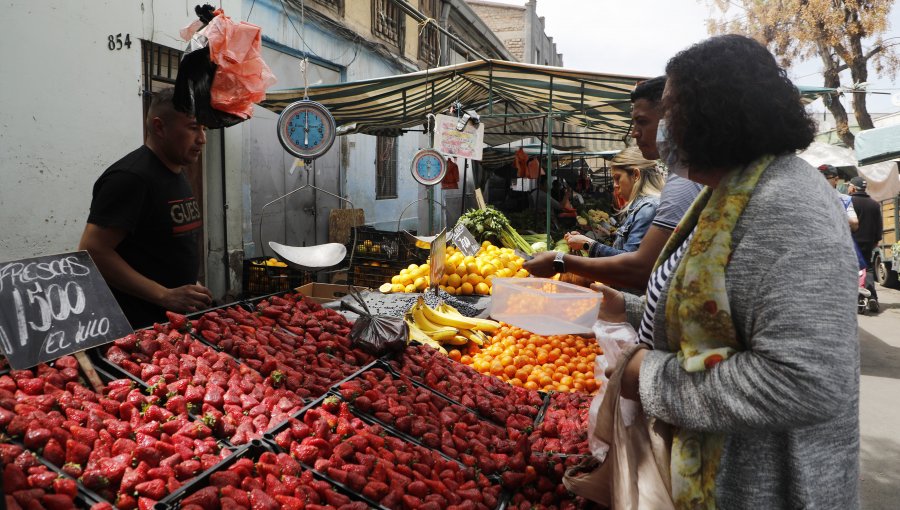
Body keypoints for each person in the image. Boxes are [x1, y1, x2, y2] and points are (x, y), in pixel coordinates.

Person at [596, 35, 858, 509]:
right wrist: (630, 308)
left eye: (672, 109)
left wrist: (651, 378)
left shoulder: (787, 206)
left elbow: (804, 382)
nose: (662, 129)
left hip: (764, 486)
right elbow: (712, 314)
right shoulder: (726, 193)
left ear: (715, 112)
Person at [524, 76, 703, 290]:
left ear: (673, 120)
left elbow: (640, 269)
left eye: (642, 122)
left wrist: (562, 260)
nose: (635, 132)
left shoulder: (677, 186)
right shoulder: (682, 177)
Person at [78, 88, 213, 328]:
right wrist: (164, 295)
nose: (202, 138)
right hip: (136, 327)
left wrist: (189, 284)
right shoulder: (131, 178)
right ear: (160, 127)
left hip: (173, 323)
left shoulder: (177, 172)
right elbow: (93, 250)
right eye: (193, 128)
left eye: (204, 128)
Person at [565, 147, 664, 257]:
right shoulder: (644, 207)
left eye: (618, 178)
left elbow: (628, 262)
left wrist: (587, 244)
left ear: (636, 175)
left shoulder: (648, 209)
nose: (614, 185)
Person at [848, 175, 883, 311]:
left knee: (854, 269)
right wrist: (876, 240)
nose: (848, 188)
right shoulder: (874, 204)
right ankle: (872, 297)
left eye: (849, 185)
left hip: (852, 241)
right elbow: (879, 225)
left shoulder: (850, 201)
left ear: (854, 188)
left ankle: (858, 299)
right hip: (868, 242)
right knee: (867, 268)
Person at [818, 164, 859, 231]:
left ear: (836, 180)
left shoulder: (845, 199)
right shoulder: (811, 198)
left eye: (825, 178)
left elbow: (854, 224)